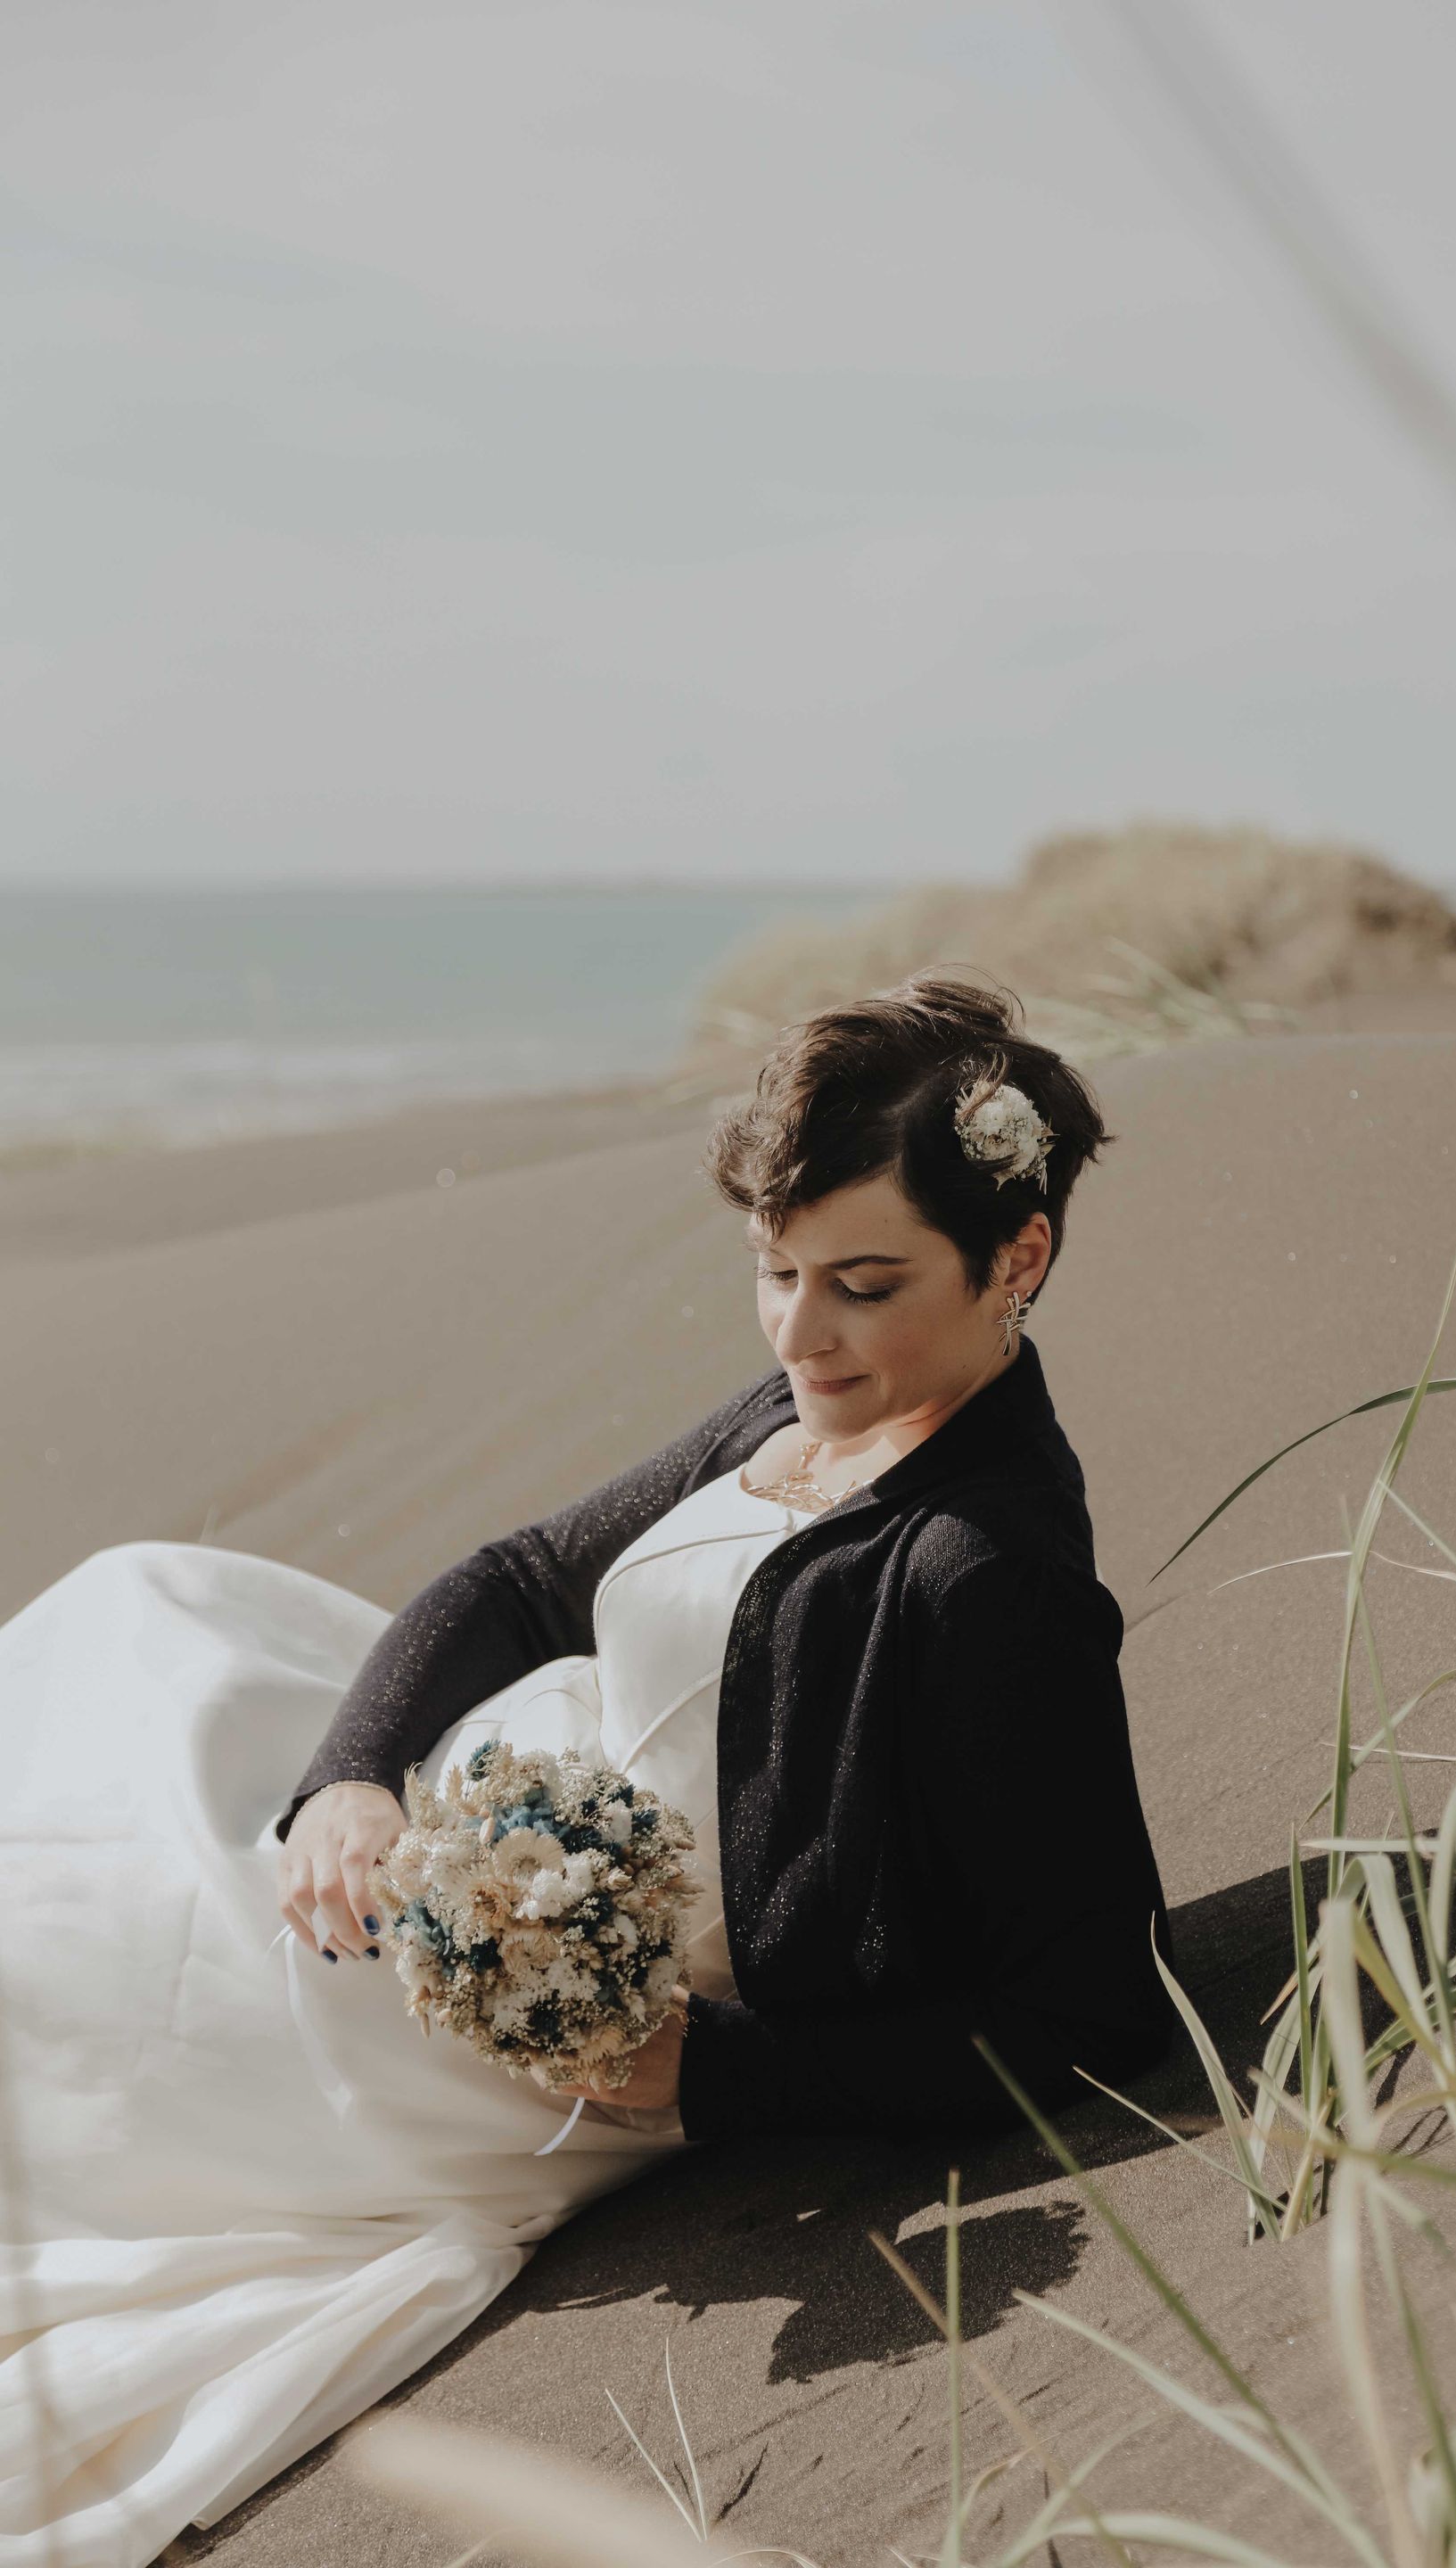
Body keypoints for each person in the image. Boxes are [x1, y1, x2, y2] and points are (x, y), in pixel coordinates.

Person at [0, 974, 1174, 2567]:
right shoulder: (806, 1407)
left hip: (522, 2020)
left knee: (76, 1952)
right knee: (138, 1648)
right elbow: (522, 1580)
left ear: (1015, 1259)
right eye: (775, 1270)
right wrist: (352, 1775)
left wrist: (716, 2080)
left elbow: (1093, 2007)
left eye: (864, 1282)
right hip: (432, 1821)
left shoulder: (987, 1575)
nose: (800, 1330)